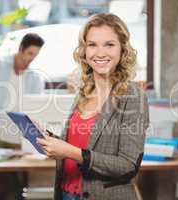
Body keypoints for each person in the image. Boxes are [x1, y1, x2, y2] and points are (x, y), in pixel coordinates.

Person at [37, 13, 149, 200]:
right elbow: (80, 145)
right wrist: (49, 139)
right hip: (66, 194)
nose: (100, 53)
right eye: (92, 44)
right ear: (84, 51)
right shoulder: (83, 92)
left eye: (109, 44)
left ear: (123, 49)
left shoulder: (132, 96)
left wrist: (70, 152)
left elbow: (128, 166)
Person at [0, 33, 45, 146]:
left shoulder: (35, 78)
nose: (32, 58)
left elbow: (37, 108)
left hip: (22, 138)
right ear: (21, 48)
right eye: (30, 53)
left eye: (35, 55)